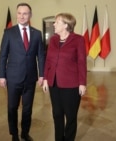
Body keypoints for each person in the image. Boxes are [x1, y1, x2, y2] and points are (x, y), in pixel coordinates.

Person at [0, 3, 45, 141]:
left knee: (27, 109)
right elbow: (3, 55)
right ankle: (14, 134)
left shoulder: (37, 34)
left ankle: (25, 133)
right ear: (16, 14)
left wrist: (42, 74)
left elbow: (40, 56)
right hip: (13, 77)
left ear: (30, 15)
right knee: (12, 107)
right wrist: (1, 75)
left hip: (30, 78)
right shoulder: (9, 32)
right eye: (19, 13)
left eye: (25, 13)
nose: (22, 16)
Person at [42, 13, 87, 141]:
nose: (54, 24)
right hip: (54, 84)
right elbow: (48, 61)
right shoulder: (53, 40)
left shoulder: (78, 40)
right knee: (57, 114)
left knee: (71, 116)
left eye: (57, 22)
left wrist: (82, 83)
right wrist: (46, 78)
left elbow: (81, 62)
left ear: (66, 25)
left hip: (71, 85)